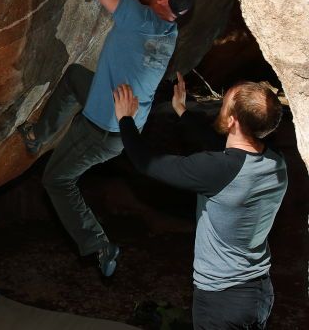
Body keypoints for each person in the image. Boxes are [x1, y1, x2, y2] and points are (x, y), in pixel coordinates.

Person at [17, 0, 195, 276]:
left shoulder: (141, 19)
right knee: (75, 78)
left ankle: (100, 246)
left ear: (162, 2)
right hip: (119, 114)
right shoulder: (170, 28)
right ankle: (37, 135)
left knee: (57, 181)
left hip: (103, 129)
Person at [113, 74, 287, 330]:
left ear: (232, 121)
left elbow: (146, 162)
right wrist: (182, 111)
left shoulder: (218, 171)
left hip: (221, 301)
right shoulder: (276, 163)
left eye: (225, 102)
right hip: (258, 292)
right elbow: (223, 147)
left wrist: (125, 118)